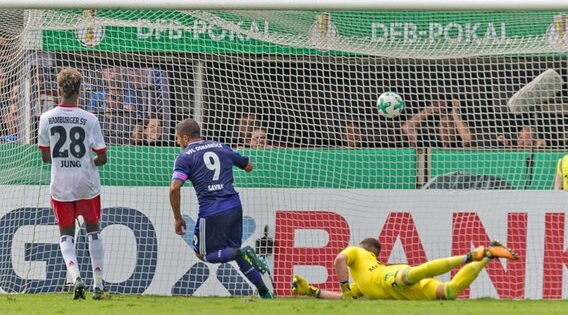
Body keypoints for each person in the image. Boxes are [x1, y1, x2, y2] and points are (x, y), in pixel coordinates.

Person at [169, 119, 275, 299]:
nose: (177, 142)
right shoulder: (221, 146)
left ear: (186, 137)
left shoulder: (185, 156)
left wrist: (178, 218)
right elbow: (249, 166)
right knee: (235, 250)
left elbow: (174, 188)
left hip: (211, 210)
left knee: (202, 254)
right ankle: (265, 292)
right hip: (234, 205)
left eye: (178, 138)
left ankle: (241, 252)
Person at [37, 68, 108, 300]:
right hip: (86, 184)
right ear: (79, 90)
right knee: (93, 230)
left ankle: (76, 277)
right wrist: (89, 162)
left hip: (61, 185)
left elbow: (46, 157)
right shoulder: (90, 118)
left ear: (59, 89)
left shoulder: (46, 118)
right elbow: (102, 157)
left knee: (66, 233)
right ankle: (98, 284)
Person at [291, 237, 517, 300]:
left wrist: (344, 285)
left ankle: (471, 255)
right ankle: (489, 254)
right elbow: (342, 297)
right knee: (450, 291)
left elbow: (339, 260)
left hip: (388, 277)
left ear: (368, 249)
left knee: (413, 274)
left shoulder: (358, 252)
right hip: (407, 295)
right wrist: (311, 290)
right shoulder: (360, 284)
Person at [402, 99, 472, 148]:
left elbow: (467, 138)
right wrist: (431, 109)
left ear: (455, 128)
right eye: (443, 125)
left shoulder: (458, 143)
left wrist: (455, 113)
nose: (445, 128)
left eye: (449, 124)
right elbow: (406, 127)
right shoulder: (429, 141)